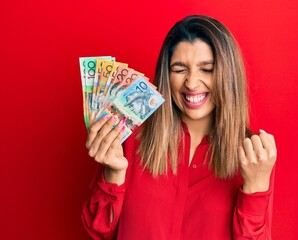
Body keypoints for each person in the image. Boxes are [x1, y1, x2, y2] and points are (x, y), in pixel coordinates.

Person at [82, 15, 277, 240]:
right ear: (166, 75)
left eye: (207, 69)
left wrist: (256, 185)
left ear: (228, 75)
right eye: (179, 69)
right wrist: (113, 173)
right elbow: (99, 231)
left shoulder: (253, 156)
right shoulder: (130, 135)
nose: (192, 83)